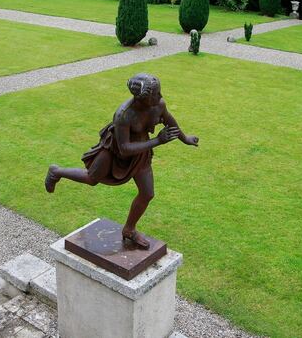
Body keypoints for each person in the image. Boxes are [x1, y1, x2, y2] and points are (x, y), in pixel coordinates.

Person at [45, 73, 199, 249]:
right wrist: (157, 141)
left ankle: (129, 229)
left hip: (141, 152)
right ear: (142, 98)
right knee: (91, 179)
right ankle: (56, 172)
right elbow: (124, 148)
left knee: (147, 193)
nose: (160, 97)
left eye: (159, 93)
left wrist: (185, 138)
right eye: (155, 94)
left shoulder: (158, 105)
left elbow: (171, 123)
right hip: (114, 152)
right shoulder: (124, 115)